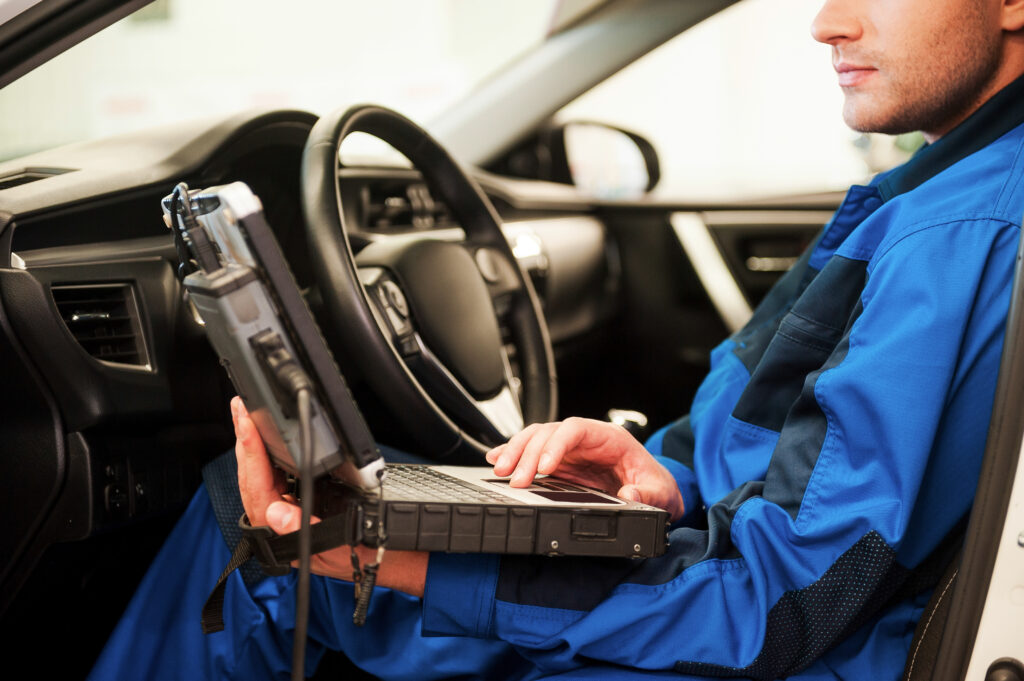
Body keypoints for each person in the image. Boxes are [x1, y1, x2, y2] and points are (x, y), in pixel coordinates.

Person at [89, 0, 1024, 679]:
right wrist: (659, 479)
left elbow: (783, 608)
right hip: (718, 573)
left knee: (256, 547)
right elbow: (782, 464)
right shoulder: (937, 193)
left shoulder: (958, 238)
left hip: (755, 645)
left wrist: (375, 554)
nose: (827, 21)